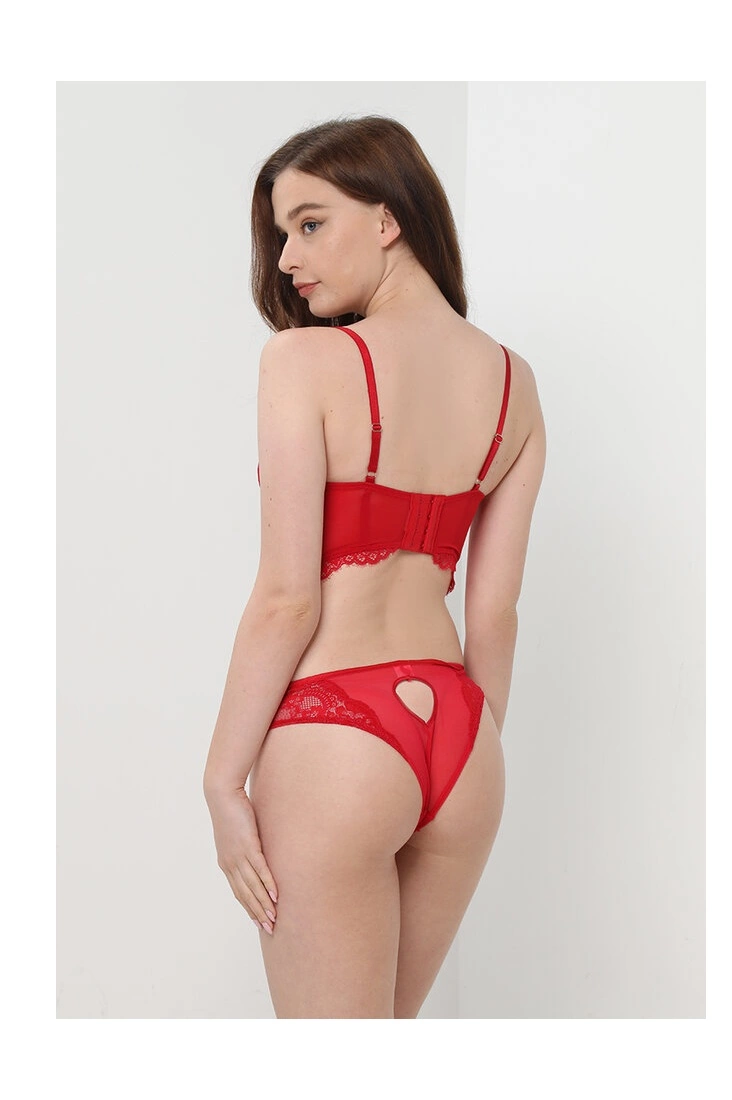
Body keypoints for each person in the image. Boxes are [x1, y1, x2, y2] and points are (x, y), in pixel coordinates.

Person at [202, 115, 546, 1018]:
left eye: (310, 223)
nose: (286, 258)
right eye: (281, 234)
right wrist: (470, 748)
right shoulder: (515, 385)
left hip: (337, 738)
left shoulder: (304, 361)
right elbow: (496, 614)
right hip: (463, 745)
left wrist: (221, 780)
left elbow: (287, 599)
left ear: (388, 218)